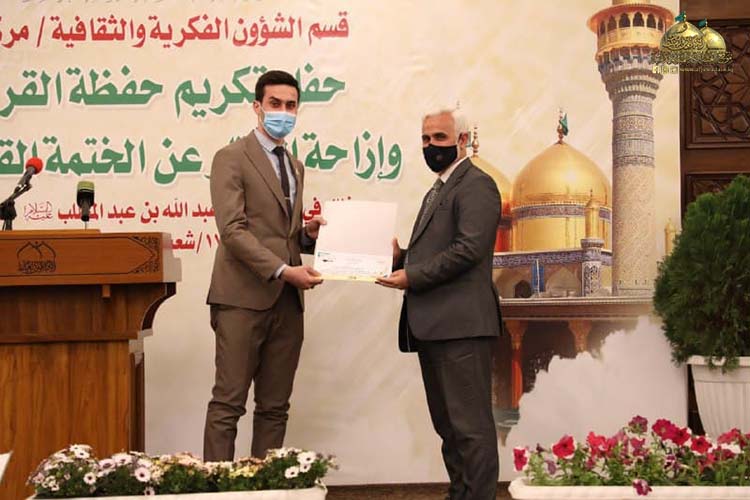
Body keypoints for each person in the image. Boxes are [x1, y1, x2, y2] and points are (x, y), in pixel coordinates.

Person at [377, 107, 503, 500]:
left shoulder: (476, 185)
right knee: (449, 427)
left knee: (470, 429)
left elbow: (468, 250)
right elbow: (438, 251)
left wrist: (411, 275)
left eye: (440, 138)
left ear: (462, 140)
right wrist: (402, 258)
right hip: (436, 327)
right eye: (425, 139)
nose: (430, 146)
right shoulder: (439, 189)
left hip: (462, 327)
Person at [204, 70, 324, 461]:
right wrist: (284, 271)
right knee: (228, 404)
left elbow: (281, 234)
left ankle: (263, 485)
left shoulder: (295, 165)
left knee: (275, 407)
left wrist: (307, 235)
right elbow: (233, 231)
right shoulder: (231, 158)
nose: (283, 112)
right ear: (257, 107)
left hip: (287, 303)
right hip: (241, 298)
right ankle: (217, 486)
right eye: (275, 104)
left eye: (291, 106)